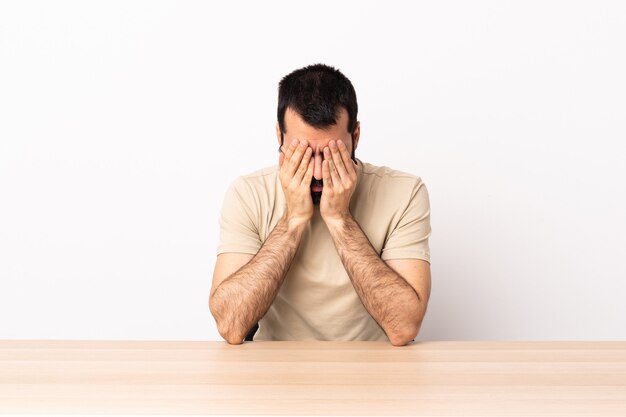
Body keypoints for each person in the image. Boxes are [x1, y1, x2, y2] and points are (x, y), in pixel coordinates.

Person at [209, 63, 431, 346]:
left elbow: (404, 327)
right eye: (301, 152)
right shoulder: (248, 193)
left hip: (373, 371)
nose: (316, 172)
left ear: (356, 137)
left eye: (330, 153)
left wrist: (340, 219)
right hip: (273, 372)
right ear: (279, 137)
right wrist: (292, 221)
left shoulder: (404, 192)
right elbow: (230, 325)